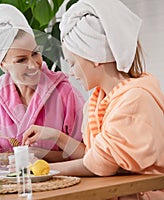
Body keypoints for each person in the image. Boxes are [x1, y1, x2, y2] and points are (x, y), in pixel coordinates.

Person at [22, 0, 164, 199]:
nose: (71, 73)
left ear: (94, 56)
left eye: (73, 63)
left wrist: (40, 172)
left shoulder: (134, 99)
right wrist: (56, 136)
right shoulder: (100, 100)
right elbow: (95, 156)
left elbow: (99, 165)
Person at [0, 4, 85, 168]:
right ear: (3, 65)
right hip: (12, 191)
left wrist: (40, 155)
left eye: (35, 53)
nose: (33, 65)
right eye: (21, 60)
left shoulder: (65, 93)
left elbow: (89, 155)